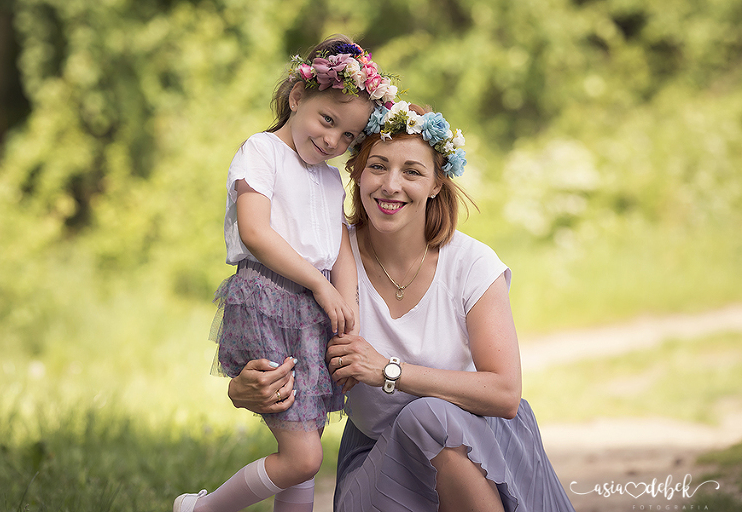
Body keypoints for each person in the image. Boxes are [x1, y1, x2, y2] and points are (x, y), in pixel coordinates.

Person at [227, 101, 576, 511]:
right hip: (379, 457)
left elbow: (504, 393)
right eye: (377, 166)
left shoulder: (470, 265)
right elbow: (284, 354)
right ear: (356, 174)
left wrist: (390, 371)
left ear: (435, 184)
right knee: (421, 421)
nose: (390, 185)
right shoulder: (327, 267)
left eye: (412, 171)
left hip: (483, 451)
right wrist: (243, 390)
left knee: (429, 417)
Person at [173, 36, 398, 512]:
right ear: (298, 98)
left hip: (313, 312)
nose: (333, 141)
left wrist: (346, 302)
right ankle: (202, 509)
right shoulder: (261, 152)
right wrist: (318, 284)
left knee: (306, 448)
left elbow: (339, 249)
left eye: (349, 138)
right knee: (302, 456)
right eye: (327, 120)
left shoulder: (330, 177)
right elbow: (256, 232)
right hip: (268, 298)